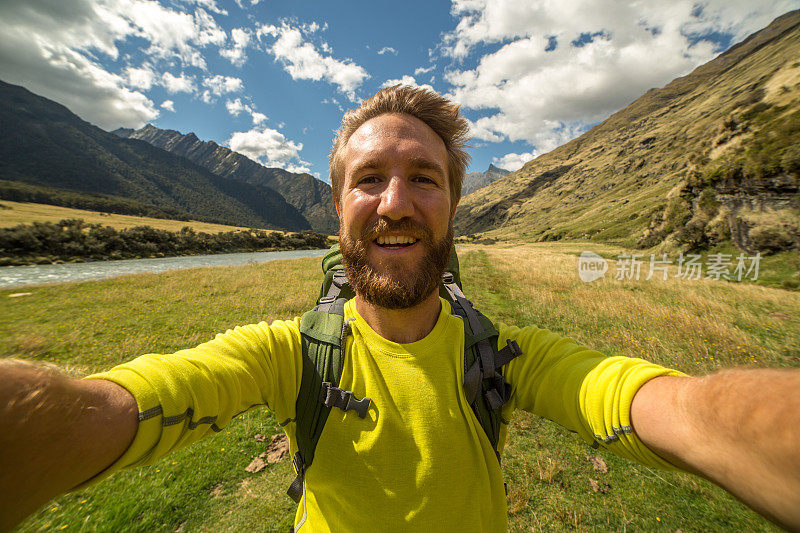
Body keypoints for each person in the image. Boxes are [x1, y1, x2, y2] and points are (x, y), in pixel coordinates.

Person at [1, 85, 799, 532]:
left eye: (424, 177)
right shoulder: (285, 355)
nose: (395, 202)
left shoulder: (507, 353)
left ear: (454, 207)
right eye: (370, 177)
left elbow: (669, 406)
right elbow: (112, 409)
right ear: (336, 207)